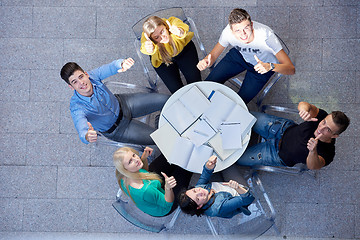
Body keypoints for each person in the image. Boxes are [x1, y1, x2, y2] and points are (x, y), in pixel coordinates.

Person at [60, 59, 169, 145]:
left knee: (165, 100)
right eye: (75, 82)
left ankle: (162, 118)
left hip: (125, 104)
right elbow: (81, 127)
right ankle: (160, 121)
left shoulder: (92, 75)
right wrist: (87, 136)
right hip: (118, 129)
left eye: (81, 76)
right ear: (71, 87)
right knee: (161, 139)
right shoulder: (76, 107)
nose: (81, 83)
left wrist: (121, 64)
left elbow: (111, 67)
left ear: (86, 74)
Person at [197, 8, 295, 104]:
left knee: (239, 104)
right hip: (239, 56)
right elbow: (213, 55)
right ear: (231, 30)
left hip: (263, 66)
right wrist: (206, 61)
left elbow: (291, 69)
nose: (243, 34)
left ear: (252, 25)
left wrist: (270, 66)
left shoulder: (266, 36)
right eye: (237, 31)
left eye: (246, 28)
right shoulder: (227, 33)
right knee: (208, 84)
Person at [236, 101, 350, 170]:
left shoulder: (328, 153)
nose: (321, 128)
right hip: (281, 128)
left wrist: (312, 151)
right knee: (244, 117)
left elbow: (313, 166)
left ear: (335, 136)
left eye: (328, 130)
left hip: (276, 154)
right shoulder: (322, 115)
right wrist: (304, 110)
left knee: (239, 159)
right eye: (324, 122)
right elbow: (304, 104)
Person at [114, 146, 192, 217]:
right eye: (130, 161)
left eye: (134, 155)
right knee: (186, 167)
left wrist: (144, 158)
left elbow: (143, 172)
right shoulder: (146, 190)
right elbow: (167, 203)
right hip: (165, 204)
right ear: (125, 170)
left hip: (152, 186)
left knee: (169, 155)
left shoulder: (121, 175)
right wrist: (168, 188)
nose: (137, 159)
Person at [178, 156, 255, 218]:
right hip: (239, 193)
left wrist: (208, 166)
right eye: (197, 198)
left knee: (219, 159)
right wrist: (237, 188)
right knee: (228, 160)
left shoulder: (199, 189)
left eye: (194, 190)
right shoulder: (219, 207)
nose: (200, 192)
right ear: (199, 206)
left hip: (223, 185)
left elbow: (204, 176)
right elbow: (248, 199)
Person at [141, 16, 201, 93]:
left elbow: (181, 27)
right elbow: (144, 47)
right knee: (176, 91)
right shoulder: (146, 37)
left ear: (165, 26)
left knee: (195, 82)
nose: (162, 37)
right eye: (156, 37)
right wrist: (149, 49)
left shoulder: (172, 22)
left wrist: (179, 32)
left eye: (162, 31)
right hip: (163, 61)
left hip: (184, 51)